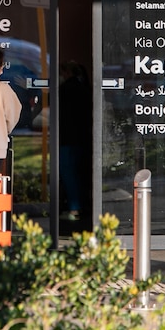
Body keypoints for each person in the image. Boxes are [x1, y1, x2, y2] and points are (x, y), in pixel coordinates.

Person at [59, 61, 91, 221]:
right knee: (80, 173)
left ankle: (74, 208)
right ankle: (81, 205)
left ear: (66, 73)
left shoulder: (64, 90)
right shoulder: (85, 89)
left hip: (67, 138)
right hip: (83, 137)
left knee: (68, 173)